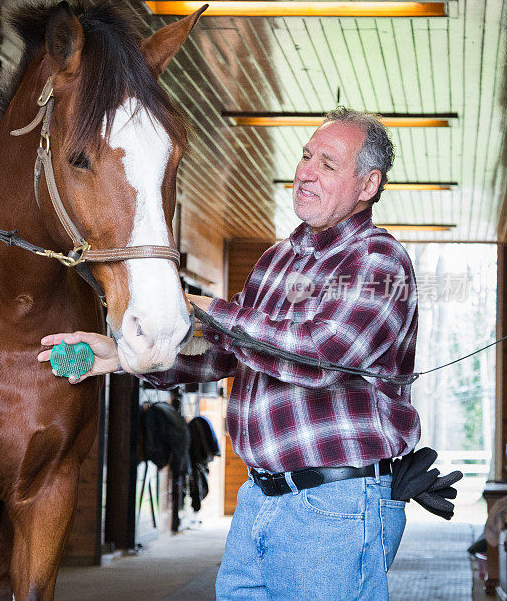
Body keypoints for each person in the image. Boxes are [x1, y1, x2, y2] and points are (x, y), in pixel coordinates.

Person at [38, 107, 420, 599]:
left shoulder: (379, 260)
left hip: (335, 504)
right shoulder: (277, 260)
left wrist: (204, 308)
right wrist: (121, 356)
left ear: (367, 186)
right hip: (261, 498)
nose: (305, 171)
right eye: (306, 156)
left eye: (327, 163)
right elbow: (223, 354)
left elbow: (323, 356)